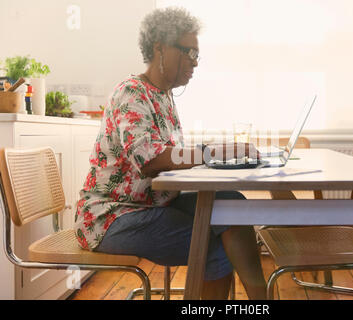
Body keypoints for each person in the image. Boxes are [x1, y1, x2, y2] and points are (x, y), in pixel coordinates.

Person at [74, 7, 267, 300]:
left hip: (153, 204)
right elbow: (150, 160)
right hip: (112, 215)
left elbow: (171, 154)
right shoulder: (131, 93)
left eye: (196, 55)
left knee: (232, 206)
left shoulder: (162, 96)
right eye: (189, 52)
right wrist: (212, 153)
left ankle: (262, 300)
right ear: (159, 48)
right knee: (212, 248)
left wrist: (216, 153)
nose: (195, 63)